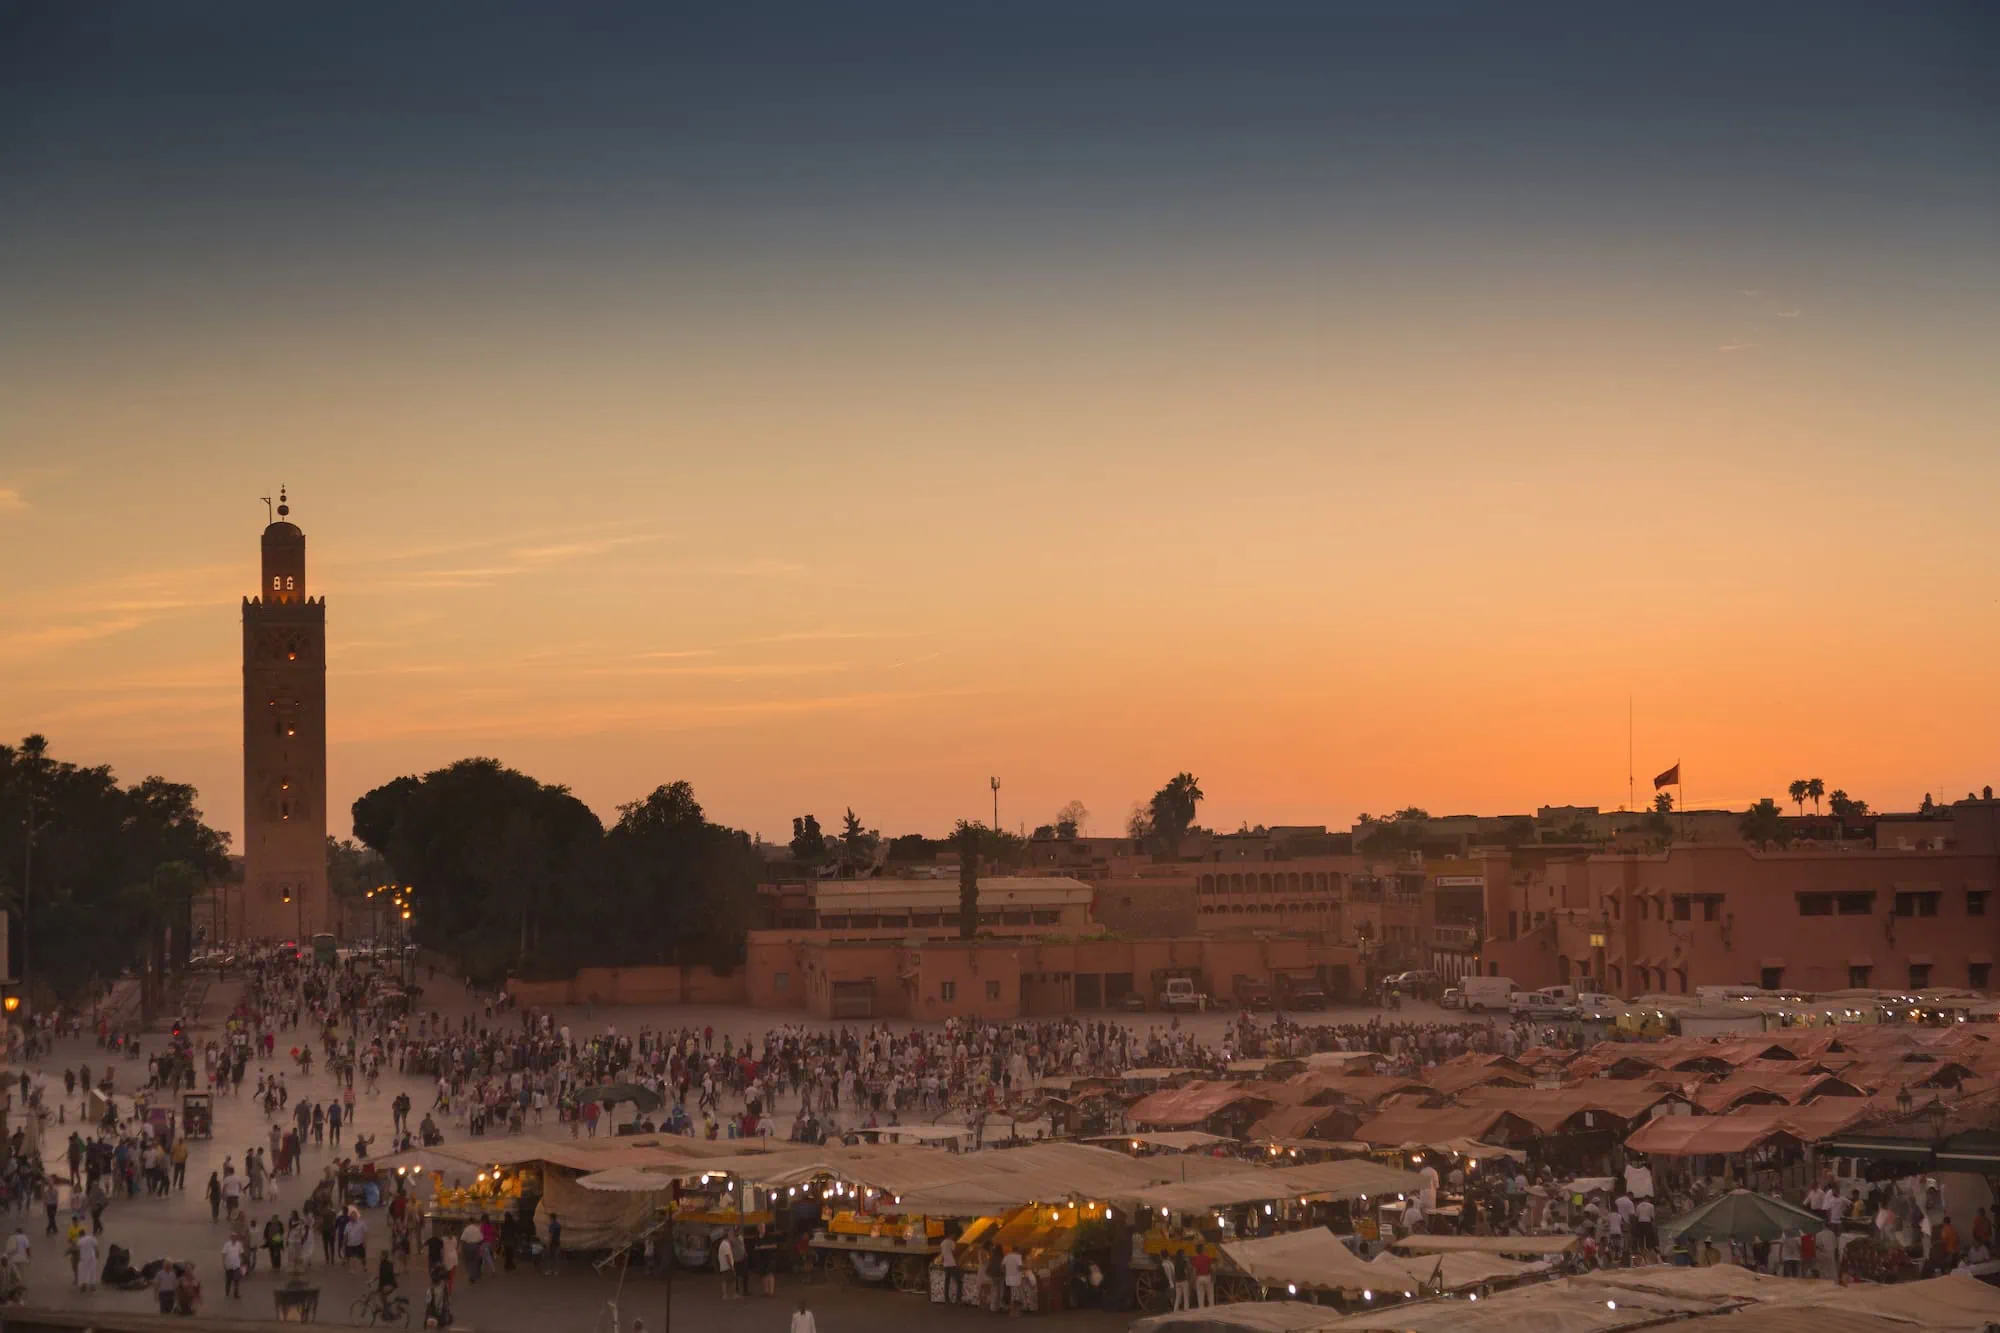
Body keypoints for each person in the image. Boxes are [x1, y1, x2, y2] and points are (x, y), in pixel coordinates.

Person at [940, 1230, 962, 1305]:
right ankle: (958, 1299)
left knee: (947, 1282)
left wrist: (942, 1262)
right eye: (954, 1235)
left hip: (946, 1264)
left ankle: (946, 1299)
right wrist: (958, 1263)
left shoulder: (942, 1243)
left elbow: (942, 1255)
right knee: (959, 1281)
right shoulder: (952, 1242)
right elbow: (955, 1254)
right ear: (951, 1235)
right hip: (952, 1264)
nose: (954, 1237)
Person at [1002, 1242, 1024, 1316]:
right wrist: (1026, 1267)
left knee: (1012, 1294)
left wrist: (1006, 1272)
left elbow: (1002, 1266)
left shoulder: (1007, 1256)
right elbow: (1020, 1267)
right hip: (1016, 1278)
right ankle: (1014, 1312)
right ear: (1018, 1249)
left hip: (1008, 1278)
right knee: (1016, 1295)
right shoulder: (1018, 1256)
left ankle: (1012, 1311)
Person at [716, 1228, 736, 1298]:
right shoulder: (725, 1245)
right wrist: (731, 1266)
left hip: (724, 1266)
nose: (732, 1237)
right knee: (732, 1280)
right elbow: (727, 1256)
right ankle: (733, 1294)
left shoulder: (723, 1244)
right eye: (731, 1235)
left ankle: (725, 1294)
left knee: (725, 1280)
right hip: (727, 1266)